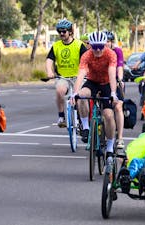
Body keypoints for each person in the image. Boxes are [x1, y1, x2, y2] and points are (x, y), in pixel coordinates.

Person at [72, 31, 117, 159]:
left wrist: (113, 92)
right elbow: (81, 75)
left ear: (105, 45)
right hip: (92, 81)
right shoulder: (86, 55)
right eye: (94, 47)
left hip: (107, 83)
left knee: (108, 115)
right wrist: (75, 93)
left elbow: (112, 74)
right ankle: (86, 128)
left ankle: (109, 146)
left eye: (100, 47)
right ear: (90, 45)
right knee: (82, 95)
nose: (97, 50)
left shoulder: (110, 54)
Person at [46, 19, 88, 128]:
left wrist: (86, 72)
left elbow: (87, 60)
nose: (61, 34)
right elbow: (49, 60)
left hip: (78, 77)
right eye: (59, 31)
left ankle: (82, 121)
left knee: (80, 97)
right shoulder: (56, 46)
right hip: (62, 77)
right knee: (59, 91)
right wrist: (49, 71)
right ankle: (61, 117)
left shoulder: (79, 45)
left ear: (70, 32)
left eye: (64, 31)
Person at [105, 31, 125, 150]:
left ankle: (120, 138)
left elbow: (120, 67)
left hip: (116, 81)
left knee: (118, 106)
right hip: (103, 82)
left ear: (112, 42)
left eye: (108, 41)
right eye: (105, 41)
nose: (106, 44)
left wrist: (120, 79)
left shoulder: (117, 51)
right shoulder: (98, 51)